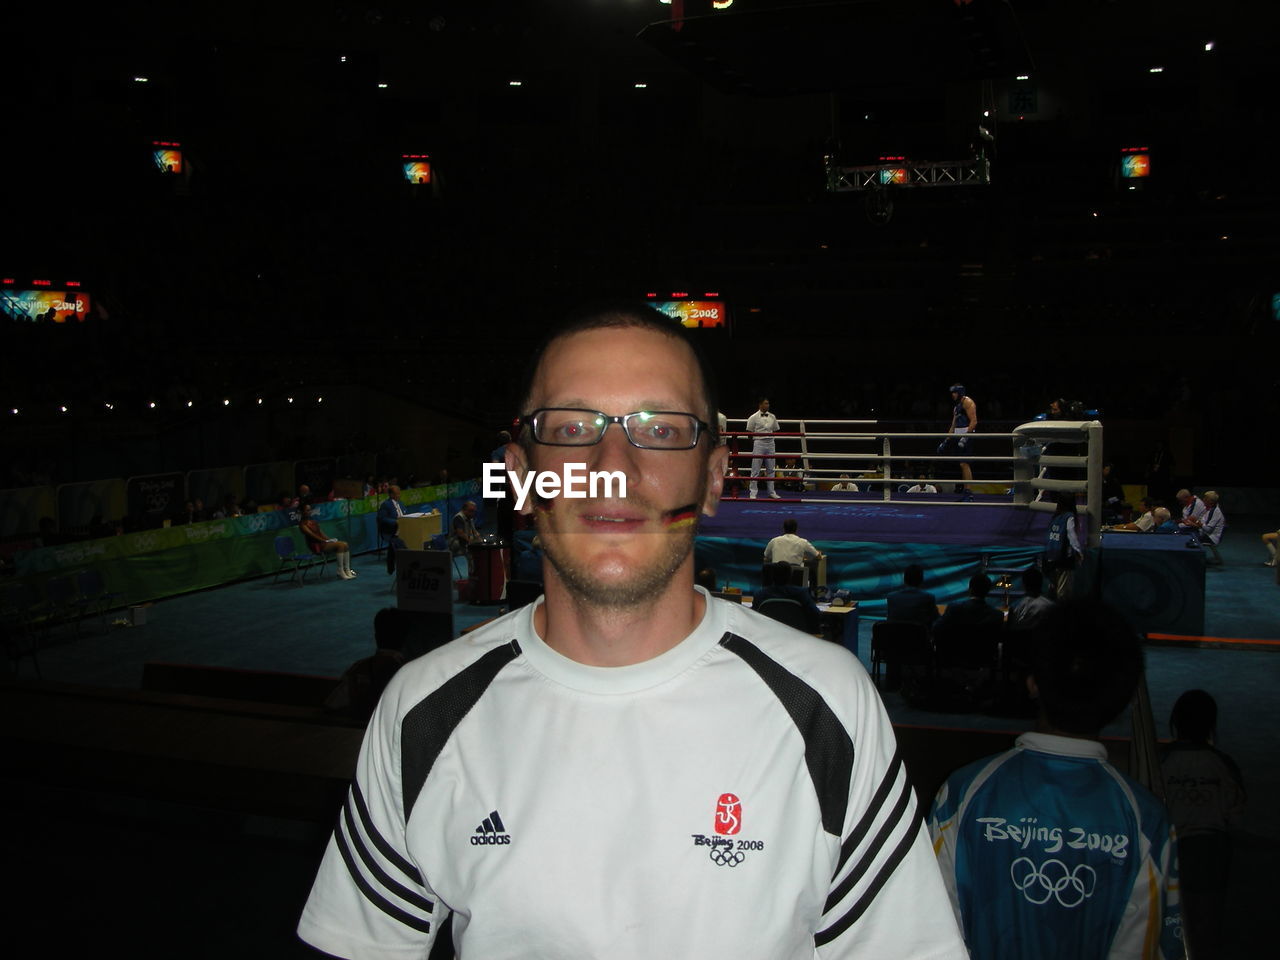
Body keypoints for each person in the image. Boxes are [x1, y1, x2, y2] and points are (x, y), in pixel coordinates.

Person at [298, 304, 967, 959]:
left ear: (712, 476)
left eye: (662, 430)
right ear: (522, 477)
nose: (611, 465)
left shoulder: (829, 710)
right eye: (570, 429)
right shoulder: (421, 713)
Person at [929, 600, 1182, 960]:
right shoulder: (1145, 819)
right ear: (1124, 700)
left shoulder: (963, 794)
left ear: (1033, 683)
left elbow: (932, 925)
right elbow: (1140, 946)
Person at [1161, 689, 1245, 960]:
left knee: (1168, 923)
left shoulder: (1161, 760)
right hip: (1210, 851)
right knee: (1205, 928)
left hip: (1170, 849)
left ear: (1176, 721)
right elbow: (1235, 814)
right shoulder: (1223, 764)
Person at [325, 607, 414, 721]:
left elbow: (332, 705)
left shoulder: (357, 669)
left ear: (376, 637)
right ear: (406, 638)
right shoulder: (411, 672)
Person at [754, 560, 823, 633]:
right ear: (790, 575)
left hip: (767, 635)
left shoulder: (760, 594)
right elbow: (815, 613)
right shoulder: (801, 593)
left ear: (772, 575)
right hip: (797, 636)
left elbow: (752, 615)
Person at [299, 503, 357, 579]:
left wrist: (329, 539)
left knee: (345, 544)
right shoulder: (302, 525)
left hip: (322, 542)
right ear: (302, 512)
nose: (309, 511)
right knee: (340, 545)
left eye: (310, 510)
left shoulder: (313, 522)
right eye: (307, 510)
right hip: (316, 546)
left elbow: (321, 533)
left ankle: (347, 569)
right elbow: (313, 536)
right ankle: (340, 571)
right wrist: (325, 541)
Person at [1044, 493, 1081, 599]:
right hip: (1063, 559)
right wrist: (1078, 551)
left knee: (1052, 590)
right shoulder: (1069, 517)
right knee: (1063, 593)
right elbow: (1072, 535)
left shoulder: (1055, 517)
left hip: (1050, 558)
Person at [763, 517, 823, 581]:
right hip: (795, 580)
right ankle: (813, 589)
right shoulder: (803, 542)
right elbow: (819, 557)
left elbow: (766, 557)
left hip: (776, 580)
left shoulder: (774, 541)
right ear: (796, 529)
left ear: (783, 528)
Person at [943, 383, 977, 491]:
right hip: (958, 434)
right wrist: (945, 441)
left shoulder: (968, 402)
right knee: (962, 464)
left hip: (966, 434)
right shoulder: (956, 407)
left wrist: (965, 437)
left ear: (960, 392)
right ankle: (965, 491)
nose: (953, 395)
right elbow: (953, 425)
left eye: (955, 392)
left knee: (964, 464)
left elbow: (974, 421)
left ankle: (968, 492)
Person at [746, 396, 780, 499]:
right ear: (760, 405)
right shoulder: (753, 417)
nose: (767, 405)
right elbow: (749, 432)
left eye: (768, 403)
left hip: (770, 443)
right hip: (759, 443)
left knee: (771, 469)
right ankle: (753, 493)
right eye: (765, 403)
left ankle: (771, 492)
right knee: (755, 469)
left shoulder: (772, 417)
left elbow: (775, 430)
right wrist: (756, 441)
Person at [885, 564, 939, 628]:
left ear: (904, 579)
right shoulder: (928, 597)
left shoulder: (891, 597)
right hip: (919, 636)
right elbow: (936, 619)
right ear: (921, 579)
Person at [1180, 490, 1225, 562]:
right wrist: (1193, 524)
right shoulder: (1208, 510)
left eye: (1205, 498)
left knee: (1188, 539)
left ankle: (1191, 560)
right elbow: (1202, 525)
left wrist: (1196, 522)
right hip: (1204, 534)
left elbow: (1207, 529)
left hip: (1210, 537)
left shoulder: (1215, 512)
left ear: (1211, 501)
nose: (1203, 500)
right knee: (1184, 532)